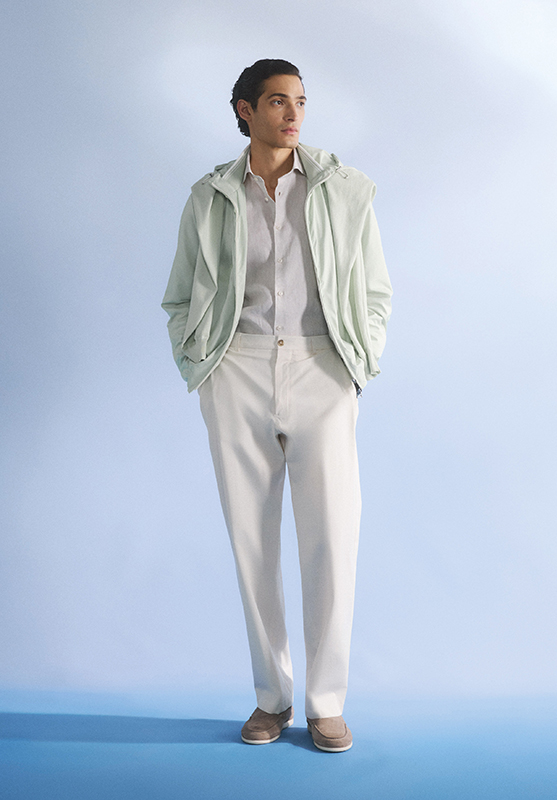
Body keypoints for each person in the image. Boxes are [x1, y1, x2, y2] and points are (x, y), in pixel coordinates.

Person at [162, 58, 392, 752]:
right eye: (277, 102)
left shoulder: (344, 189)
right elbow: (181, 294)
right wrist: (202, 365)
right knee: (252, 542)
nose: (293, 115)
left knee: (333, 538)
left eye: (300, 102)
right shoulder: (211, 196)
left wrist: (357, 364)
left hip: (323, 366)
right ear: (245, 110)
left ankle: (326, 703)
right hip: (238, 368)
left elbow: (375, 289)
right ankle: (272, 698)